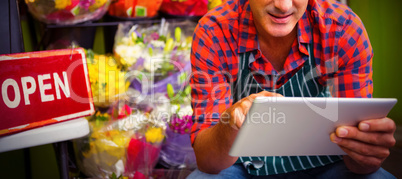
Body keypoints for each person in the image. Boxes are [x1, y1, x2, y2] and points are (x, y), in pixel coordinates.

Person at [187, 0, 397, 178]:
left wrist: (366, 154)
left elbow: (358, 163)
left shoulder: (342, 29)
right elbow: (208, 161)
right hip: (242, 165)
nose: (283, 6)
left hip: (328, 165)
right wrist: (231, 123)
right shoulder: (215, 31)